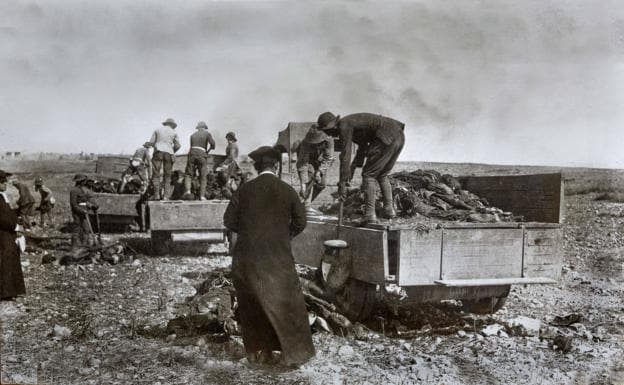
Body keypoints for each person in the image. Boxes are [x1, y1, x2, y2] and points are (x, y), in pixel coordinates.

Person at [223, 145, 314, 368]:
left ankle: (258, 354)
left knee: (252, 303)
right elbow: (301, 221)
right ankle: (292, 355)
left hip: (247, 258)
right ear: (276, 166)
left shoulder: (244, 190)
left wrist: (249, 233)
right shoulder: (287, 190)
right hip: (278, 257)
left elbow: (229, 221)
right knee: (287, 302)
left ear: (256, 166)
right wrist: (283, 236)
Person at [316, 111, 405, 224]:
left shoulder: (344, 125)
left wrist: (342, 183)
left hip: (386, 137)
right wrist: (352, 170)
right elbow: (362, 146)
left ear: (332, 127)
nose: (329, 135)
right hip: (399, 135)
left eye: (327, 131)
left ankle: (369, 215)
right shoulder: (352, 123)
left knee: (368, 175)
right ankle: (389, 210)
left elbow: (345, 155)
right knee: (382, 174)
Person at [295, 126, 334, 215]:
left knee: (322, 184)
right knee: (309, 175)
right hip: (306, 162)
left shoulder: (328, 139)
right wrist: (303, 185)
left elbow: (329, 158)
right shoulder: (305, 143)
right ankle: (306, 206)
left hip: (319, 161)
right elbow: (302, 164)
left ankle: (303, 203)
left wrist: (320, 171)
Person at [0, 169, 26, 300]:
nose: (5, 185)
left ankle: (11, 290)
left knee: (10, 258)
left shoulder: (2, 196)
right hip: (4, 233)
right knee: (7, 259)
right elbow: (2, 218)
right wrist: (15, 225)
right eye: (3, 182)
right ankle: (6, 292)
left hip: (7, 232)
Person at [149, 118, 181, 200]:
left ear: (165, 123)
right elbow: (178, 146)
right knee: (168, 175)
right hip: (169, 154)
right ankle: (166, 196)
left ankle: (156, 195)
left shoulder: (157, 130)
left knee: (156, 174)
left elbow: (152, 143)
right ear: (172, 125)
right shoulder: (174, 132)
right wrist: (172, 151)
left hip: (158, 152)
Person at [184, 121, 215, 200]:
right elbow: (213, 144)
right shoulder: (207, 134)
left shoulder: (192, 135)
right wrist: (207, 151)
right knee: (203, 176)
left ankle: (188, 191)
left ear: (198, 128)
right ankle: (202, 196)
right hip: (202, 154)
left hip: (192, 153)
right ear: (204, 127)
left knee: (188, 174)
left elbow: (192, 147)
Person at [69, 174, 98, 248]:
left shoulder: (82, 190)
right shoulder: (74, 191)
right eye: (84, 181)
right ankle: (74, 247)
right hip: (77, 213)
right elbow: (74, 204)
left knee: (86, 229)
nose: (85, 182)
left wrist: (91, 206)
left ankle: (84, 246)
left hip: (84, 212)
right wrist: (81, 211)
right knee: (77, 229)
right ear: (80, 182)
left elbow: (84, 201)